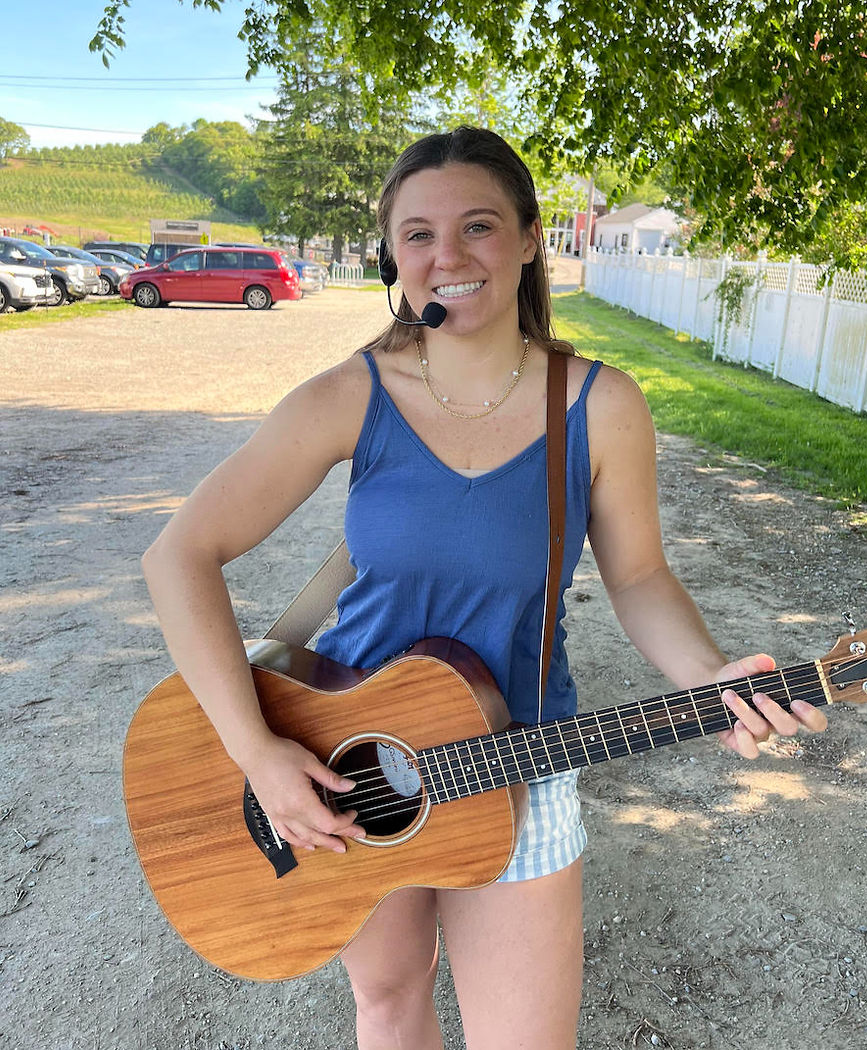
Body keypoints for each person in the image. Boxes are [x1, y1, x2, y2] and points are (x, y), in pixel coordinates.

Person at [141, 126, 828, 1050]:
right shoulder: (353, 394)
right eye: (418, 234)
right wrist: (260, 755)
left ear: (533, 237)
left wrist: (711, 675)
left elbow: (639, 576)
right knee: (387, 1005)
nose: (448, 257)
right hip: (339, 758)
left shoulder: (600, 405)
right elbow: (177, 556)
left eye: (478, 226)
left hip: (519, 763)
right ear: (392, 253)